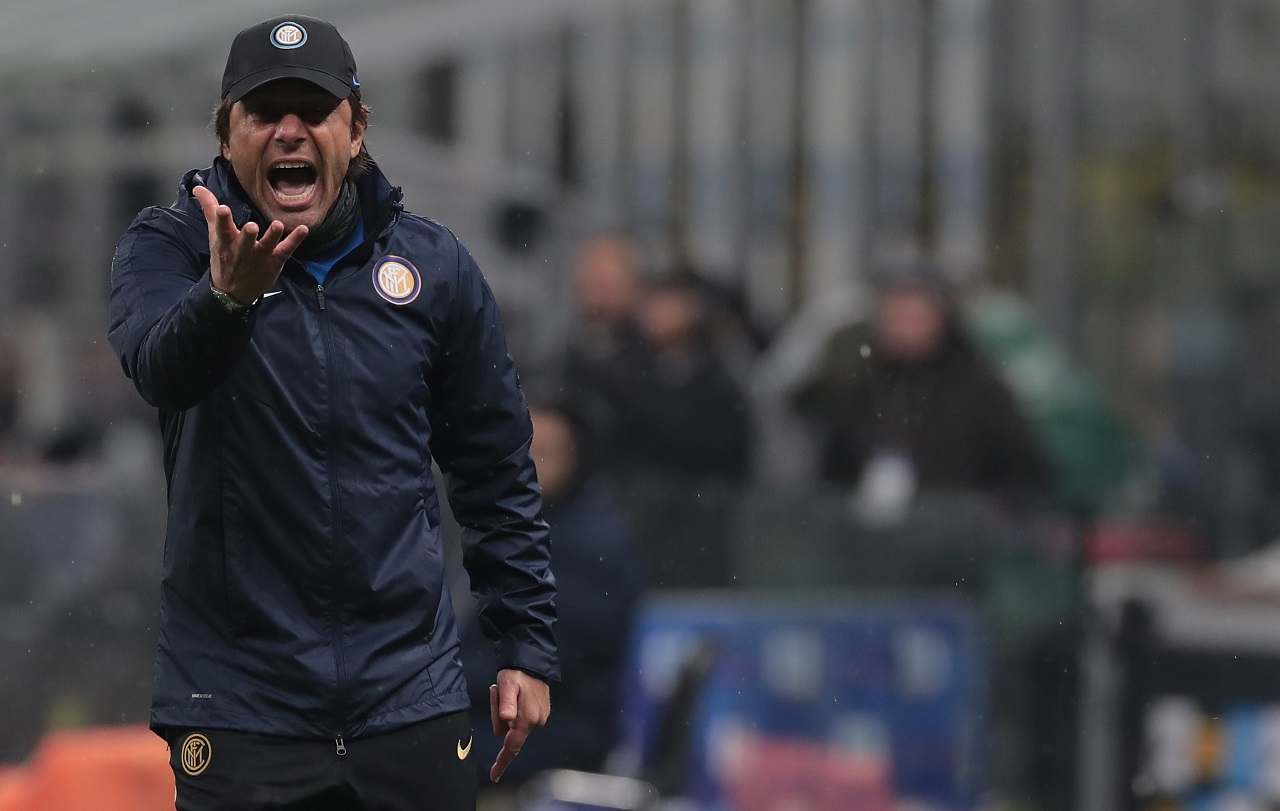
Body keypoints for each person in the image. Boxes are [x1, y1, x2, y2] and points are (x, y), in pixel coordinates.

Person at [106, 15, 557, 810]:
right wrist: (225, 300)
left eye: (314, 110)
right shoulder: (169, 247)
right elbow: (161, 369)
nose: (290, 130)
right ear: (226, 133)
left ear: (356, 132)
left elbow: (494, 467)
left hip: (409, 699)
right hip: (241, 707)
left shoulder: (433, 266)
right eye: (263, 111)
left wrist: (524, 642)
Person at [460, 401, 641, 785]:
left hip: (557, 733)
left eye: (543, 453)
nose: (526, 465)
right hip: (509, 719)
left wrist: (442, 680)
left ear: (575, 461)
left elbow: (541, 657)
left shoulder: (588, 547)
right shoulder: (527, 529)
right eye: (519, 451)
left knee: (416, 757)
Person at [794, 258, 1049, 510]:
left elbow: (1019, 469)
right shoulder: (858, 382)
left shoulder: (977, 387)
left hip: (956, 521)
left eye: (916, 315)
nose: (906, 326)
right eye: (896, 315)